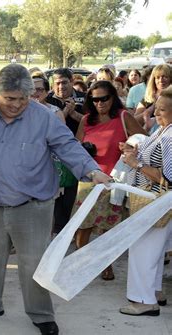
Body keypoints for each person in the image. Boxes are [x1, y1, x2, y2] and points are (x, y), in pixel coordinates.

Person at [0, 64, 111, 335]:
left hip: (32, 206)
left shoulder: (44, 117)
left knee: (33, 264)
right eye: (10, 99)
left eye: (23, 99)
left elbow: (68, 146)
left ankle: (40, 313)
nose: (17, 105)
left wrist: (92, 170)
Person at [73, 80, 146, 280]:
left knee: (108, 228)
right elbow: (74, 148)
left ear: (113, 97)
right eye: (95, 99)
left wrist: (129, 148)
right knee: (83, 225)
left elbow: (145, 142)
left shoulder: (124, 117)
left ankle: (106, 264)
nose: (100, 103)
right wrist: (84, 149)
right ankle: (84, 261)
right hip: (89, 179)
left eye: (104, 98)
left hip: (115, 180)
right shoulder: (86, 120)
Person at [119, 87, 172, 316]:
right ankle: (154, 292)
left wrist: (136, 164)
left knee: (143, 249)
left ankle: (144, 300)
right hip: (153, 198)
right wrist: (134, 153)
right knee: (154, 249)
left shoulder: (170, 135)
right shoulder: (164, 130)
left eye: (162, 110)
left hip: (154, 198)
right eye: (156, 108)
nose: (156, 114)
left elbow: (168, 177)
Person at [45, 68, 86, 234]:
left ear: (71, 81)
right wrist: (63, 113)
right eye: (57, 83)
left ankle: (71, 227)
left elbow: (91, 122)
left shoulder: (84, 98)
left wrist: (73, 113)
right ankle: (58, 227)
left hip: (76, 152)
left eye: (64, 82)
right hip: (52, 155)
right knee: (55, 193)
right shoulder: (47, 101)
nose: (60, 86)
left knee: (72, 193)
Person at [135, 64, 171, 131]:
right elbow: (134, 121)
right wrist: (148, 111)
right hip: (149, 136)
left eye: (165, 77)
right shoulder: (148, 98)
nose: (161, 80)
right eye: (157, 77)